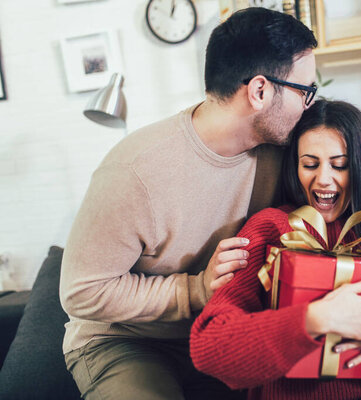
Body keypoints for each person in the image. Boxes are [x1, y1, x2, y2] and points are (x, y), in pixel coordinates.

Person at [59, 7, 318, 400]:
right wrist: (196, 289)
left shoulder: (283, 152)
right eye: (305, 92)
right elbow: (82, 291)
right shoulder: (136, 170)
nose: (309, 106)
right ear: (260, 91)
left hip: (224, 331)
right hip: (128, 343)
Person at [191, 100, 361, 400]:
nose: (323, 179)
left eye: (339, 165)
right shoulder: (270, 228)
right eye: (310, 164)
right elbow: (210, 348)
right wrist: (314, 320)